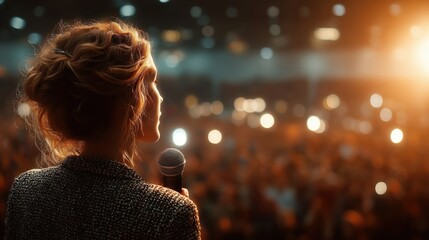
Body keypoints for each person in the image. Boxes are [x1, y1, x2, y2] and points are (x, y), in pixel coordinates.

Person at [5, 19, 201, 239]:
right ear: (133, 97)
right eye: (152, 80)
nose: (160, 96)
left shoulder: (26, 191)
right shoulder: (171, 213)